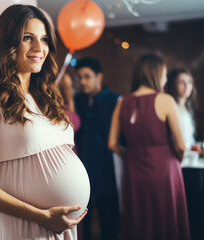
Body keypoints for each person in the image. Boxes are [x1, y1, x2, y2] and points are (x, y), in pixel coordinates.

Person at [0, 4, 89, 240]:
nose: (39, 48)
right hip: (18, 228)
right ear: (7, 43)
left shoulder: (48, 99)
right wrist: (40, 215)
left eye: (45, 39)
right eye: (28, 38)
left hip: (60, 228)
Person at [108, 54, 190, 240]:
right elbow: (181, 145)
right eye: (164, 74)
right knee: (166, 219)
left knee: (139, 220)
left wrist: (129, 155)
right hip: (165, 168)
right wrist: (177, 161)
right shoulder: (165, 99)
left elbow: (112, 143)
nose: (166, 79)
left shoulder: (121, 102)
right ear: (156, 74)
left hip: (133, 168)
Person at [74, 57, 120, 240]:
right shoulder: (77, 100)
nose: (82, 81)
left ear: (99, 77)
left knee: (109, 223)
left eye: (87, 76)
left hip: (107, 172)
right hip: (81, 171)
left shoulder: (115, 101)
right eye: (79, 77)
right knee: (81, 224)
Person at [165, 68, 197, 149]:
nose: (186, 86)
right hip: (178, 152)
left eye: (189, 82)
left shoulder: (188, 107)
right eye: (181, 82)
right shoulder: (170, 106)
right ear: (173, 84)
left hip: (190, 152)